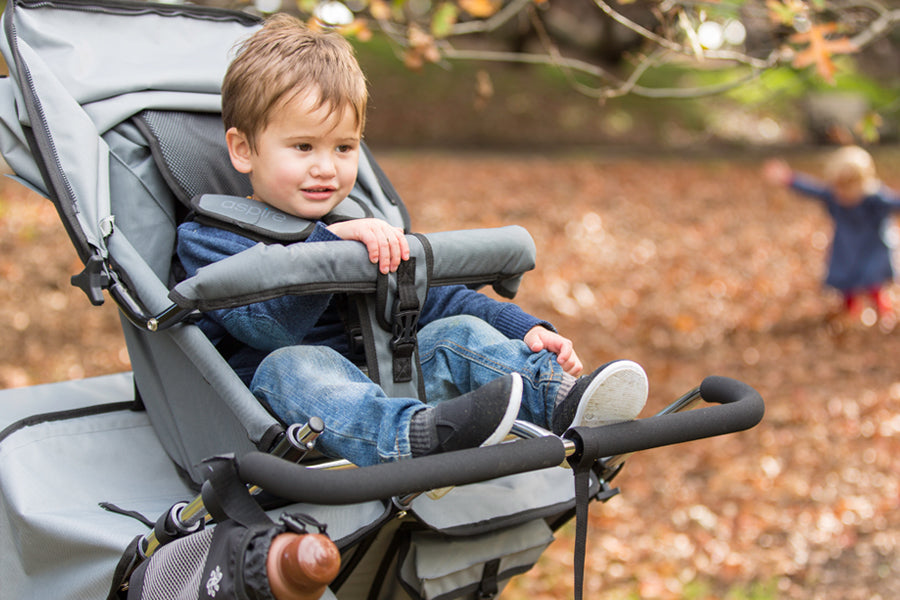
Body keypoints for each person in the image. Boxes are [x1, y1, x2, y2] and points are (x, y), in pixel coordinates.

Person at [176, 14, 647, 467]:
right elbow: (267, 328)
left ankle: (560, 398)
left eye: (343, 147)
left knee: (455, 334)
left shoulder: (365, 226)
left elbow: (434, 297)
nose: (326, 166)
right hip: (287, 404)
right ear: (242, 149)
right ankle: (409, 440)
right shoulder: (210, 237)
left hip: (382, 381)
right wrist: (330, 247)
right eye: (303, 147)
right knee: (294, 363)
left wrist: (523, 327)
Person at [763, 146, 900, 322]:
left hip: (872, 248)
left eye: (848, 187)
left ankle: (883, 312)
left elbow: (897, 203)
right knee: (848, 283)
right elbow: (811, 189)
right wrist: (788, 178)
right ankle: (849, 312)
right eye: (839, 187)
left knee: (873, 281)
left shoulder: (875, 199)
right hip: (847, 248)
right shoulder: (833, 196)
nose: (843, 194)